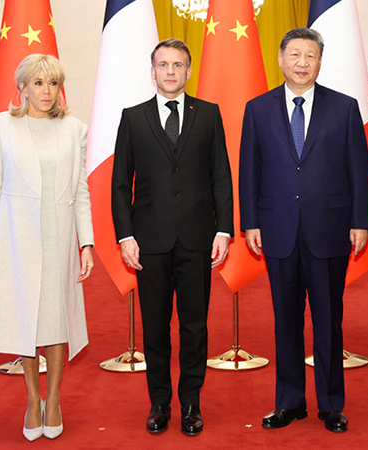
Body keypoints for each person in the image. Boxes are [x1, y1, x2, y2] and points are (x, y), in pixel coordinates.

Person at [238, 28, 368, 433]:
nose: (302, 62)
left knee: (329, 320)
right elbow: (249, 169)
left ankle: (331, 404)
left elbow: (359, 169)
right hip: (277, 229)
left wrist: (360, 221)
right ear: (281, 58)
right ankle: (289, 402)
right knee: (286, 321)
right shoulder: (257, 109)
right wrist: (250, 221)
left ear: (319, 61)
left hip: (329, 229)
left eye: (310, 55)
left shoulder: (344, 108)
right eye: (294, 54)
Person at [111, 38, 233, 437]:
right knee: (156, 327)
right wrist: (125, 235)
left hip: (198, 238)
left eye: (177, 64)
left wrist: (223, 228)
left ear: (188, 71)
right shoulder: (133, 118)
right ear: (152, 71)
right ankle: (160, 403)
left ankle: (191, 403)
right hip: (149, 242)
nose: (170, 71)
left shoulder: (209, 114)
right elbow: (119, 184)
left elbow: (221, 175)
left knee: (195, 327)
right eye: (163, 64)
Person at [0, 54, 94, 442]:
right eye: (38, 83)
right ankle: (33, 399)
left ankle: (55, 398)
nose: (46, 91)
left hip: (60, 236)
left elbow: (81, 190)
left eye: (53, 83)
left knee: (56, 319)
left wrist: (86, 243)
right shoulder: (1, 125)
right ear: (23, 87)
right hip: (18, 237)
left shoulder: (75, 129)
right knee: (25, 321)